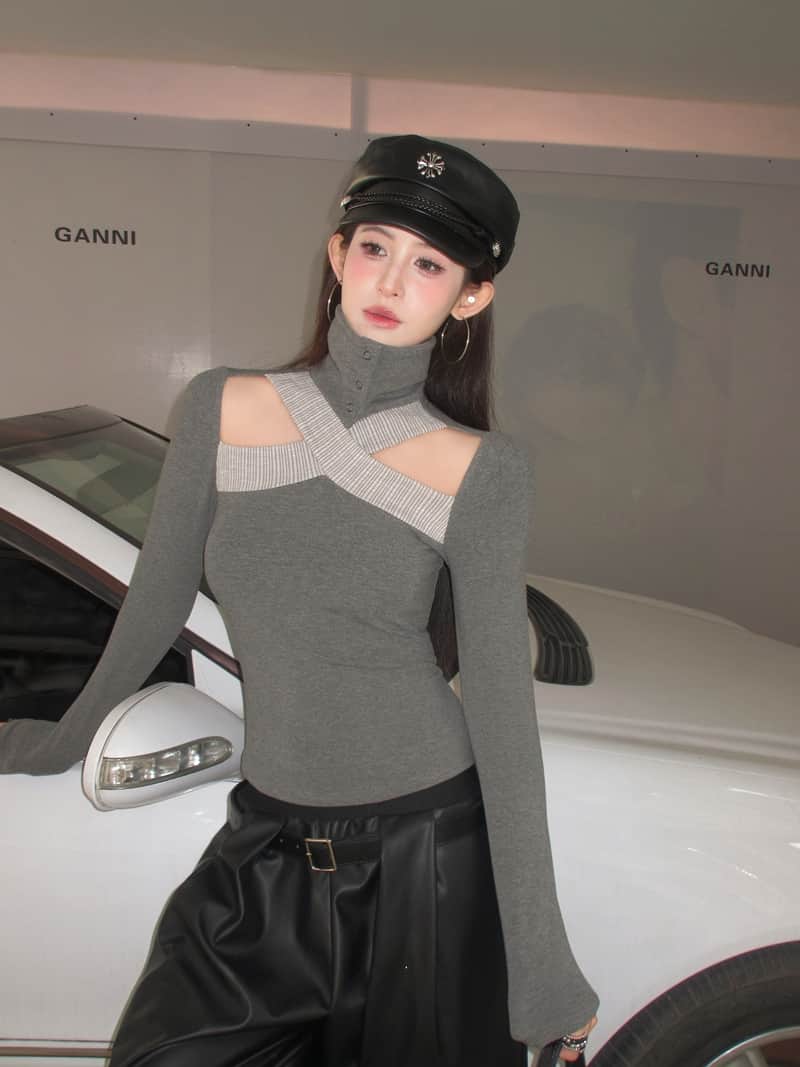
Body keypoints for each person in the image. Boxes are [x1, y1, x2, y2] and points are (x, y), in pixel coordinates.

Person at [0, 134, 599, 1066]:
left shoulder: (482, 469)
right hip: (266, 849)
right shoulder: (222, 406)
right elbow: (153, 605)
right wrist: (57, 741)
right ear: (338, 252)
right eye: (375, 247)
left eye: (429, 264)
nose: (391, 281)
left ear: (469, 297)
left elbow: (498, 705)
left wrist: (543, 968)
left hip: (424, 856)